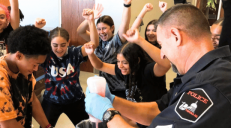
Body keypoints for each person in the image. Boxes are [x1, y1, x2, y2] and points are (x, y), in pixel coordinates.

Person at [85, 3, 231, 128]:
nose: (162, 54)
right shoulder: (194, 75)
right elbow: (157, 109)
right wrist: (112, 101)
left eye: (161, 45)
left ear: (176, 36)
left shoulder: (211, 87)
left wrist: (108, 114)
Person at [84, 24, 169, 127]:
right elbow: (100, 65)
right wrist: (90, 54)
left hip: (156, 117)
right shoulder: (124, 70)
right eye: (118, 61)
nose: (120, 66)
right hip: (140, 116)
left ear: (137, 61)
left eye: (124, 62)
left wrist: (140, 40)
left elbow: (166, 64)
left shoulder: (147, 70)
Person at [0, 25, 52, 128]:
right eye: (35, 64)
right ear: (19, 56)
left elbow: (31, 98)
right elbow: (7, 124)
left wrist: (47, 126)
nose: (36, 69)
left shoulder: (23, 68)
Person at [39, 9, 99, 127]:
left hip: (75, 99)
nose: (59, 49)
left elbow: (94, 44)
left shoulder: (75, 52)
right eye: (55, 45)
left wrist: (91, 21)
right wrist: (37, 28)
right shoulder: (45, 55)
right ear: (49, 43)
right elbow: (29, 48)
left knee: (87, 126)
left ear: (68, 42)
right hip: (51, 100)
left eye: (63, 45)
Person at [77, 0, 132, 99]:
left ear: (112, 28)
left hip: (119, 87)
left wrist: (126, 5)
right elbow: (80, 31)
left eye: (104, 28)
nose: (101, 32)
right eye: (98, 29)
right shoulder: (97, 41)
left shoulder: (117, 40)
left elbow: (124, 24)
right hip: (104, 85)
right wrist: (90, 19)